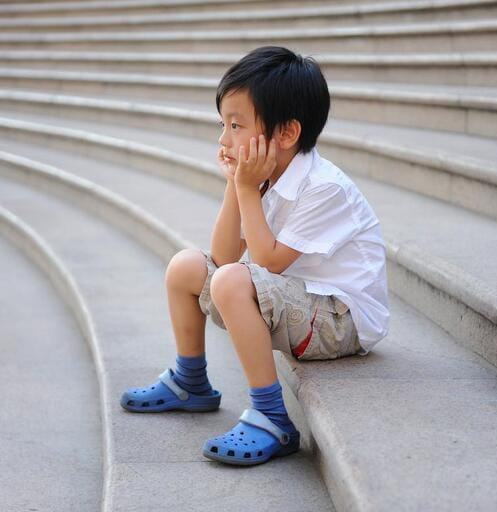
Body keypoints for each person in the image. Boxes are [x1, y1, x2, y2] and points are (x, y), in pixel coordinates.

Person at [120, 46, 389, 466]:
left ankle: (271, 416)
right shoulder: (264, 175)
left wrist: (246, 189)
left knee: (232, 280)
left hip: (342, 319)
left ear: (285, 134)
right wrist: (236, 186)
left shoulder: (323, 187)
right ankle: (190, 380)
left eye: (236, 125)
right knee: (186, 266)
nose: (224, 139)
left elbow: (265, 264)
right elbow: (226, 255)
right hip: (295, 299)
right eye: (222, 124)